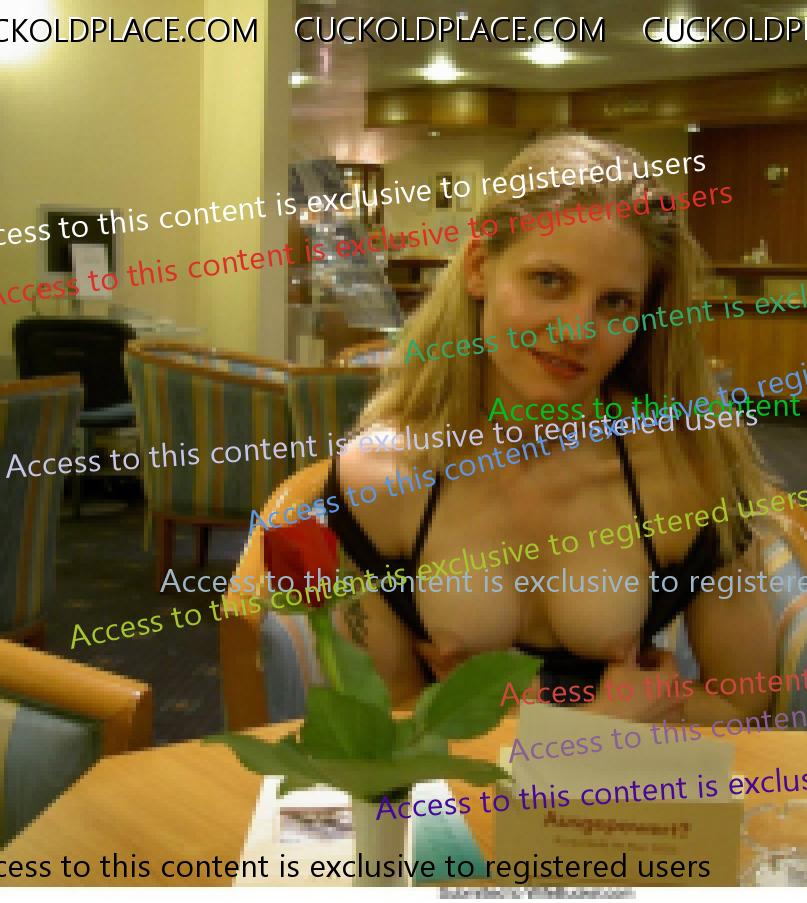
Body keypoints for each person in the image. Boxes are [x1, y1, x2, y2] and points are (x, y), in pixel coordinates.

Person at [229, 134, 777, 724]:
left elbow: (743, 703)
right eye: (550, 281)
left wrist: (554, 722)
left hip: (626, 779)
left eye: (615, 303)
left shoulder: (687, 468)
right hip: (459, 785)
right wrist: (593, 722)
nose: (578, 330)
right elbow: (384, 727)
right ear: (478, 268)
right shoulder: (382, 479)